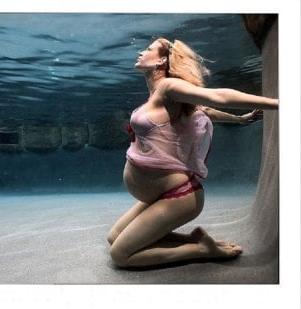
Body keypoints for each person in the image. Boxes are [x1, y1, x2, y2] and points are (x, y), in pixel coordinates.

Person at [107, 37, 278, 268]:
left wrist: (278, 103)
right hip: (159, 195)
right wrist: (239, 119)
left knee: (120, 256)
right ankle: (194, 240)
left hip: (177, 196)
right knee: (114, 236)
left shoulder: (168, 87)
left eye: (148, 49)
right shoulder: (161, 97)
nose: (140, 53)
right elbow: (205, 111)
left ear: (161, 61)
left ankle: (199, 249)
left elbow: (218, 97)